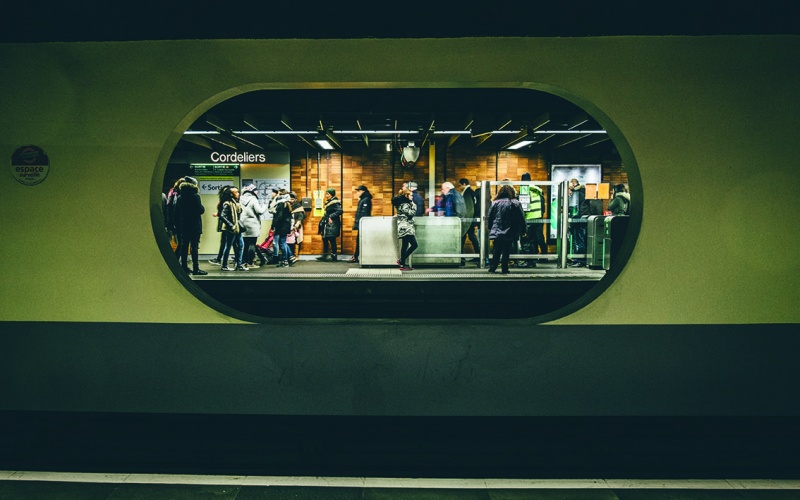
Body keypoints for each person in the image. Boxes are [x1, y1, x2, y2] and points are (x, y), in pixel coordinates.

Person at [487, 184, 526, 274]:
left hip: (497, 230)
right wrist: (523, 230)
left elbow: (490, 217)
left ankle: (493, 267)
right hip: (510, 230)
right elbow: (521, 218)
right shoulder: (515, 202)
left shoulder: (495, 203)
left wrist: (490, 228)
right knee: (506, 250)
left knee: (497, 249)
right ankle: (505, 269)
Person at [173, 176, 207, 275]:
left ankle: (184, 267)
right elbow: (200, 210)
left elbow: (177, 212)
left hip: (184, 225)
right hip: (194, 225)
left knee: (184, 246)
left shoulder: (180, 196)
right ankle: (196, 268)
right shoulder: (195, 196)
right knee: (194, 247)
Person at [518, 172, 547, 268]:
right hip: (538, 217)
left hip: (529, 218)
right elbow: (543, 205)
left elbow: (524, 206)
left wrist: (521, 219)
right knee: (535, 239)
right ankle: (533, 260)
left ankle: (528, 261)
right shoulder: (538, 190)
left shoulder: (525, 189)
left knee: (526, 239)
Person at [218, 186, 246, 271]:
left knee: (240, 245)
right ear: (231, 194)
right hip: (232, 228)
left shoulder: (235, 203)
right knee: (229, 246)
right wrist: (231, 225)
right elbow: (222, 216)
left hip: (236, 227)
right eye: (236, 192)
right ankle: (224, 265)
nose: (238, 194)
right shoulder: (227, 203)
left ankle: (239, 264)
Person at [239, 183, 267, 268]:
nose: (257, 192)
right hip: (253, 224)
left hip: (243, 223)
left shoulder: (240, 198)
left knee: (245, 244)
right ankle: (250, 263)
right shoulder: (253, 199)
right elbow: (260, 211)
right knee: (252, 243)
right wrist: (264, 206)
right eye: (255, 190)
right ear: (252, 191)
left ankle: (243, 262)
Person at [393, 187, 418, 271]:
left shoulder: (403, 203)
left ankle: (401, 262)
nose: (412, 197)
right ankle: (402, 263)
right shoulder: (404, 204)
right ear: (406, 195)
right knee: (410, 245)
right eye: (411, 195)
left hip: (406, 227)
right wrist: (414, 205)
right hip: (405, 227)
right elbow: (411, 214)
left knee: (409, 245)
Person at [458, 178, 480, 265]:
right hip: (470, 220)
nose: (459, 187)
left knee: (464, 237)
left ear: (464, 184)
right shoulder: (471, 192)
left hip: (468, 220)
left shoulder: (467, 193)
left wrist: (465, 220)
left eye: (460, 185)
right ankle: (477, 255)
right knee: (471, 237)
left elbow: (469, 208)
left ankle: (461, 257)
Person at [568, 178, 589, 267]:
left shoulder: (577, 193)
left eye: (570, 183)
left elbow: (576, 208)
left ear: (574, 183)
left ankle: (580, 260)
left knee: (579, 240)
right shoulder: (581, 192)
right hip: (580, 219)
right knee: (578, 240)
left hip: (578, 220)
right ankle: (577, 259)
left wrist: (574, 217)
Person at [348, 184, 372, 263]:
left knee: (360, 240)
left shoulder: (366, 200)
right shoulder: (363, 199)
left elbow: (364, 213)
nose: (357, 193)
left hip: (363, 224)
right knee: (359, 240)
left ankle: (356, 256)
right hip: (362, 224)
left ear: (363, 191)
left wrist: (361, 223)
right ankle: (357, 256)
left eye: (358, 191)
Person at [317, 188, 343, 261]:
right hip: (328, 224)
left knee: (332, 239)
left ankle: (333, 255)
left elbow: (340, 211)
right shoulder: (329, 202)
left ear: (331, 195)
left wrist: (331, 216)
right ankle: (325, 255)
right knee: (325, 239)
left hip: (332, 224)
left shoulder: (334, 203)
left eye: (328, 194)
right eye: (326, 194)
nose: (326, 195)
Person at [271, 190, 295, 267]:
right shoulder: (287, 203)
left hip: (281, 226)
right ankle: (288, 258)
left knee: (282, 243)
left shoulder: (281, 204)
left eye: (279, 194)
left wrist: (274, 225)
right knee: (283, 242)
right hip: (285, 226)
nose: (277, 195)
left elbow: (279, 216)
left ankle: (285, 260)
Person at [288, 191, 305, 264]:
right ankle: (290, 255)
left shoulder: (298, 206)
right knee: (290, 241)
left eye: (292, 199)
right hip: (289, 226)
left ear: (295, 199)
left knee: (297, 241)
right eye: (290, 199)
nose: (291, 201)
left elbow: (301, 216)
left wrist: (297, 224)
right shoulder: (288, 205)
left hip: (297, 226)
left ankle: (296, 255)